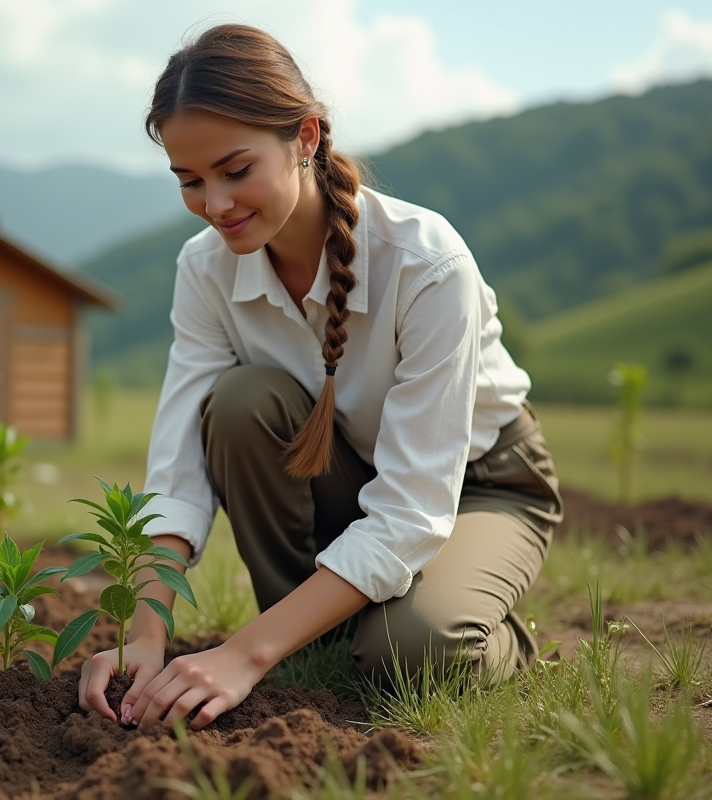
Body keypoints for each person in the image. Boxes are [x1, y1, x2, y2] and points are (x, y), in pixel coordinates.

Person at [77, 23, 563, 731]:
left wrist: (242, 655)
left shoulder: (428, 266)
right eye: (190, 181)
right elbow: (178, 469)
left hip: (478, 484)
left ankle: (488, 637)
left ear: (305, 138)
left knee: (411, 652)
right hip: (345, 472)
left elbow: (409, 510)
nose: (215, 204)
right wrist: (141, 637)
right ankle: (319, 641)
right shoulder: (204, 269)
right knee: (241, 403)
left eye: (235, 170)